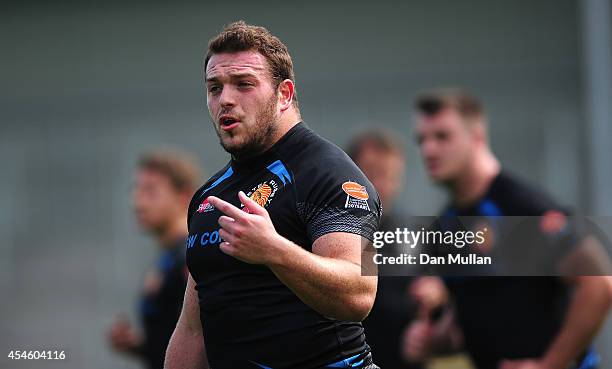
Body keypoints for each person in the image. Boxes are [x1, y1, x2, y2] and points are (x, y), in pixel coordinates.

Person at [164, 21, 381, 369]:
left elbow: (359, 293)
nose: (226, 100)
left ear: (284, 94)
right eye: (214, 87)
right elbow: (192, 331)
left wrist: (273, 250)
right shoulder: (209, 195)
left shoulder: (330, 173)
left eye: (244, 84)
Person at [405, 88, 612, 369]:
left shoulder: (520, 206)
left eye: (442, 136)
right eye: (422, 139)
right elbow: (473, 318)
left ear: (476, 137)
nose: (428, 149)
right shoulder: (445, 225)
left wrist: (550, 364)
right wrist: (432, 342)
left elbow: (599, 284)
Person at [108, 150, 201, 369]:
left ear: (184, 196)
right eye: (136, 190)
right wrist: (140, 346)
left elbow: (206, 336)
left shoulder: (192, 255)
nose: (137, 203)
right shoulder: (168, 256)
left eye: (150, 191)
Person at [347, 130, 423, 369]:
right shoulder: (338, 230)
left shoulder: (410, 229)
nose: (382, 185)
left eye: (391, 176)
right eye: (373, 174)